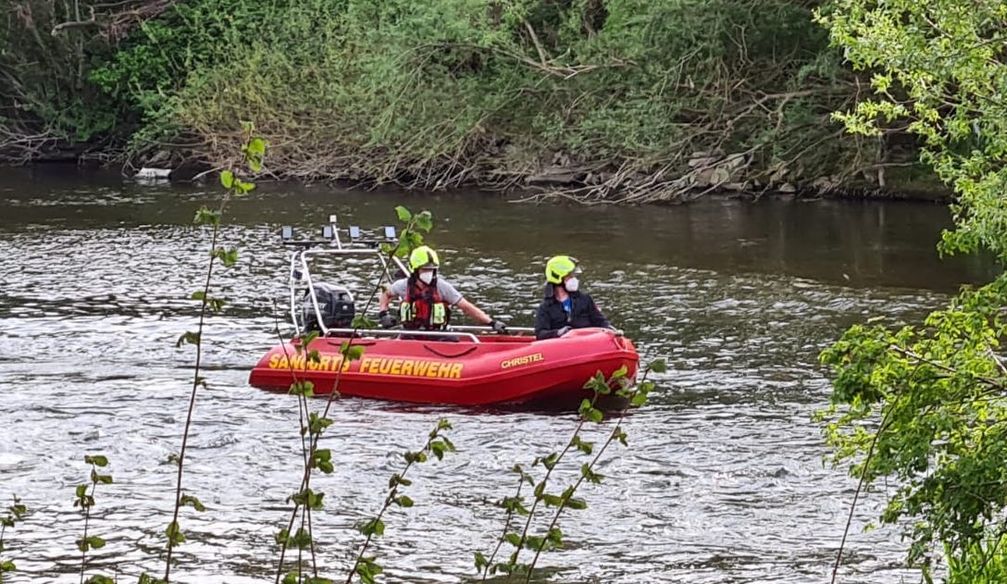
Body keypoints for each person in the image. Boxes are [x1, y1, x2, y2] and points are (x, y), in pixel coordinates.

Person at [378, 245, 508, 333]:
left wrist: (491, 323)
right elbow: (385, 292)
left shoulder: (442, 287)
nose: (429, 273)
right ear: (415, 270)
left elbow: (466, 307)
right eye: (425, 269)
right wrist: (384, 313)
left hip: (438, 335)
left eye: (432, 270)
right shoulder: (403, 285)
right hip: (410, 335)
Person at [535, 255, 611, 340]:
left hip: (588, 342)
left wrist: (609, 330)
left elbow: (601, 322)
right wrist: (558, 332)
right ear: (558, 277)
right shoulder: (546, 307)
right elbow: (540, 333)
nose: (574, 279)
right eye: (570, 276)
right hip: (563, 347)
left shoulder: (584, 299)